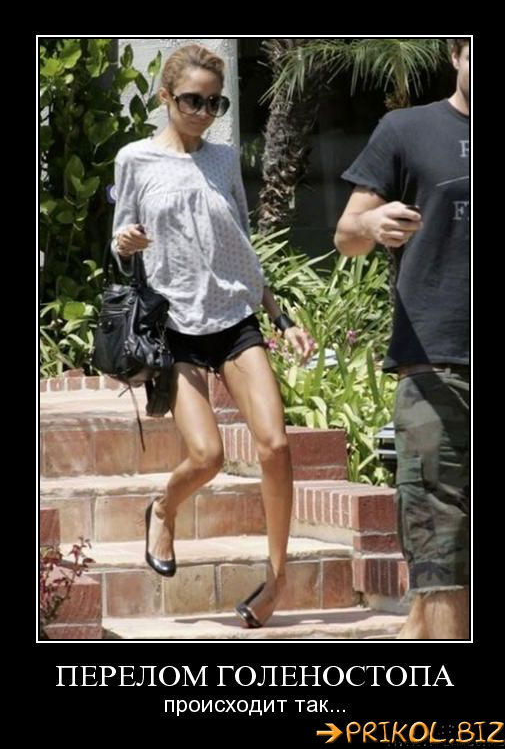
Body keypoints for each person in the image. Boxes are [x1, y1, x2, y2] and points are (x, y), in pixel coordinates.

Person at [111, 44, 314, 628]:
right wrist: (126, 242)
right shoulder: (135, 159)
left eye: (214, 103)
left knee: (276, 446)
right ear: (166, 97)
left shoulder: (223, 161)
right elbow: (118, 243)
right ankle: (163, 508)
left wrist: (280, 317)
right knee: (207, 457)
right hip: (173, 325)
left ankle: (276, 580)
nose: (203, 112)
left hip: (233, 318)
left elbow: (241, 247)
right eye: (192, 101)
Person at [334, 39, 470, 639]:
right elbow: (346, 234)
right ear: (456, 54)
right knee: (438, 526)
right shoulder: (406, 130)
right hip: (437, 359)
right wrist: (371, 221)